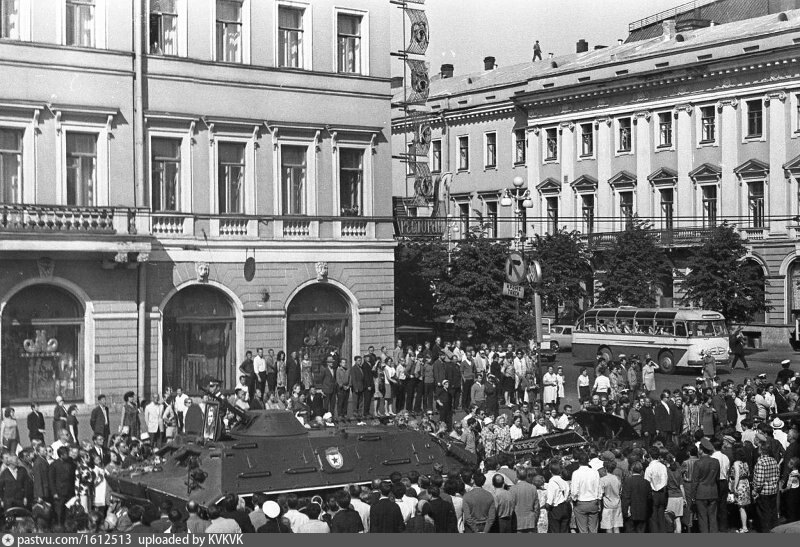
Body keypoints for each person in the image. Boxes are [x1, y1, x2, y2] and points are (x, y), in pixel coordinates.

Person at [690, 438, 720, 533]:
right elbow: (717, 478)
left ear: (701, 450)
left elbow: (695, 481)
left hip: (701, 493)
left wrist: (692, 495)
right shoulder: (716, 462)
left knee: (702, 517)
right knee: (713, 516)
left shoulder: (698, 463)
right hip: (713, 491)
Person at [752, 442, 780, 533]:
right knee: (772, 511)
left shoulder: (761, 462)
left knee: (764, 514)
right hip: (773, 490)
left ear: (760, 450)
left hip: (763, 491)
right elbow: (777, 475)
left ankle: (766, 531)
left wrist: (755, 490)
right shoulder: (774, 460)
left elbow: (759, 480)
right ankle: (774, 530)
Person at [621, 461, 651, 533]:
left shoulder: (628, 481)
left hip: (631, 512)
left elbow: (625, 498)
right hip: (643, 512)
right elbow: (649, 499)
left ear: (632, 469)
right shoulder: (646, 482)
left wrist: (625, 511)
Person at [599, 459, 622, 533]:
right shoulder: (618, 479)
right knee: (616, 527)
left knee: (608, 527)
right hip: (617, 504)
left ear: (605, 468)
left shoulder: (603, 480)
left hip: (607, 506)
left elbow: (600, 493)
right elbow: (620, 491)